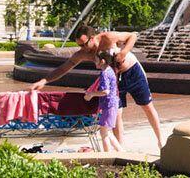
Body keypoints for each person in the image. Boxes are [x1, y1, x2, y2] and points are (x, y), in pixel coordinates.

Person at [29, 25, 162, 152]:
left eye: (84, 44)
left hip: (132, 71)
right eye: (79, 45)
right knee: (115, 114)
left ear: (92, 38)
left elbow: (132, 36)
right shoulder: (83, 53)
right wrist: (44, 80)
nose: (83, 48)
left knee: (147, 106)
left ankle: (160, 142)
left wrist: (123, 52)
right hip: (114, 79)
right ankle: (121, 149)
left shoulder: (108, 38)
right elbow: (64, 67)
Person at [84, 51, 122, 152]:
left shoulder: (105, 73)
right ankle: (121, 151)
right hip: (112, 104)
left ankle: (106, 156)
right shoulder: (109, 70)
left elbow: (106, 91)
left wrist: (92, 94)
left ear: (102, 61)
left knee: (104, 133)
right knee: (107, 131)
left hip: (109, 104)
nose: (94, 62)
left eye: (96, 60)